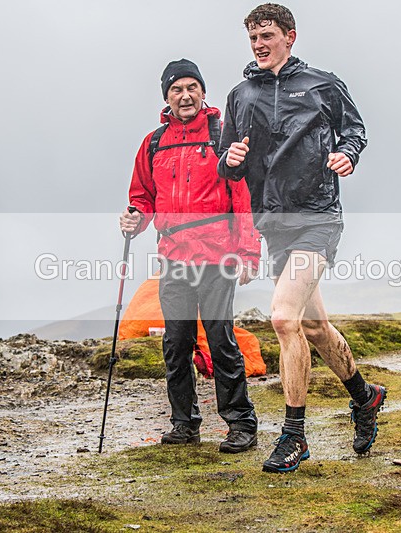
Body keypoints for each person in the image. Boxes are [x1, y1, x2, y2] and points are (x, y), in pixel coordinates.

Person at [217, 3, 384, 473]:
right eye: (253, 38)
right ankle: (365, 396)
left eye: (267, 35)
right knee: (313, 327)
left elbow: (355, 130)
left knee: (283, 317)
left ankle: (294, 436)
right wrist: (230, 159)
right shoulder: (240, 95)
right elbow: (225, 159)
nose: (259, 45)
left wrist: (348, 154)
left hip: (317, 216)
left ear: (289, 36)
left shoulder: (321, 84)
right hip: (274, 222)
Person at [119, 59, 261, 453]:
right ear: (167, 97)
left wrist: (249, 252)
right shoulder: (154, 143)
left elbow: (242, 197)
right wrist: (134, 218)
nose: (185, 96)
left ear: (202, 92)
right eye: (176, 89)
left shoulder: (222, 137)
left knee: (220, 340)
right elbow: (142, 197)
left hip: (218, 255)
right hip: (174, 257)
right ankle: (184, 423)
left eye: (191, 87)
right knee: (176, 343)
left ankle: (241, 424)